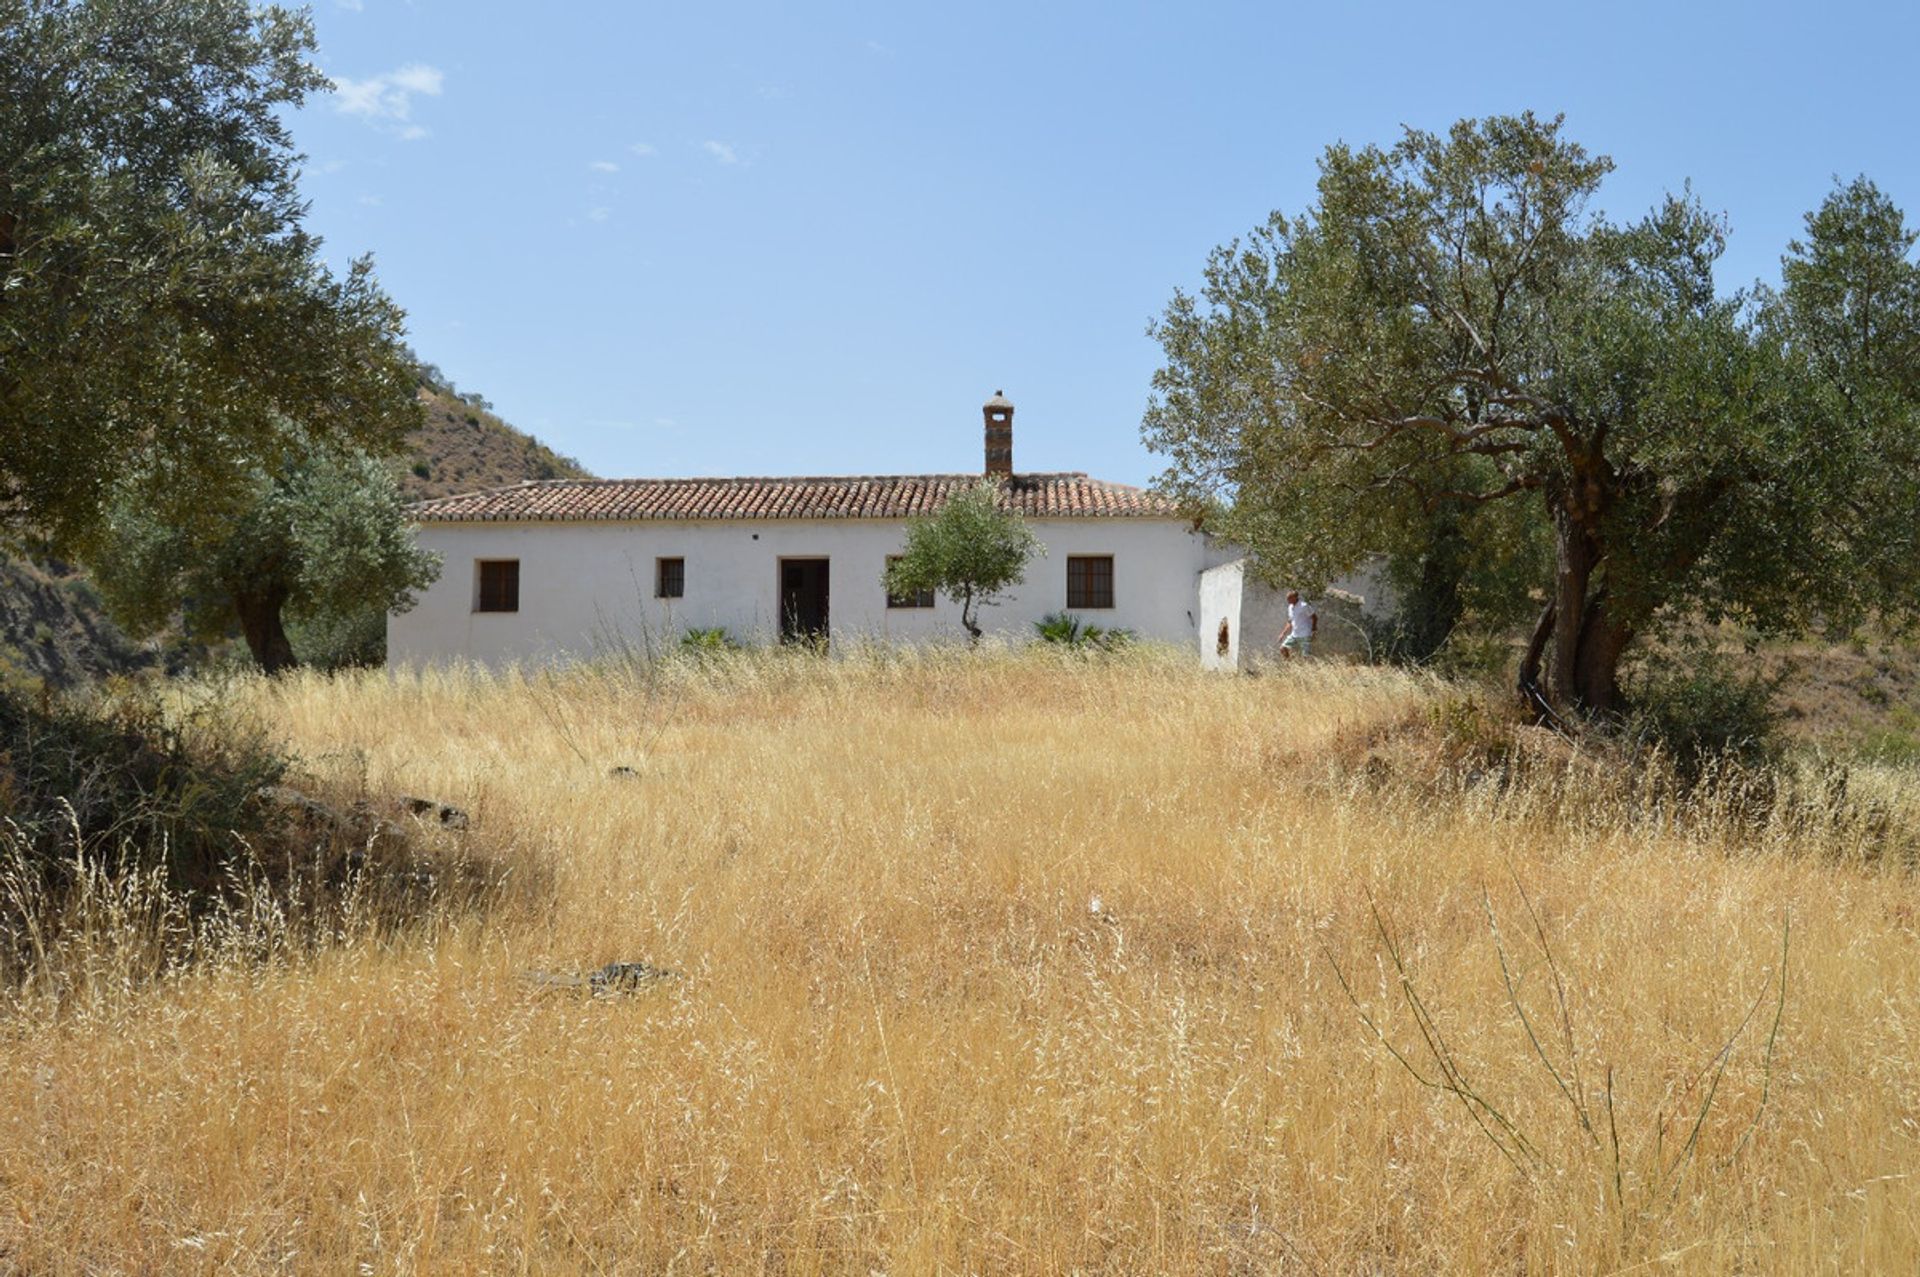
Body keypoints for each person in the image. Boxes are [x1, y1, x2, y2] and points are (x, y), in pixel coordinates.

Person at [1278, 590, 1316, 659]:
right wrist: (1282, 633)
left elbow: (1314, 617)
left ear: (1295, 597)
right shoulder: (1290, 607)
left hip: (1305, 633)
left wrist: (1313, 630)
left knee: (1306, 656)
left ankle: (1310, 668)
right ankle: (1289, 664)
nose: (1288, 600)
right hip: (1294, 634)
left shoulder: (1304, 606)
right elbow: (1290, 621)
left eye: (1289, 598)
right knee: (1283, 648)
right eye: (1287, 598)